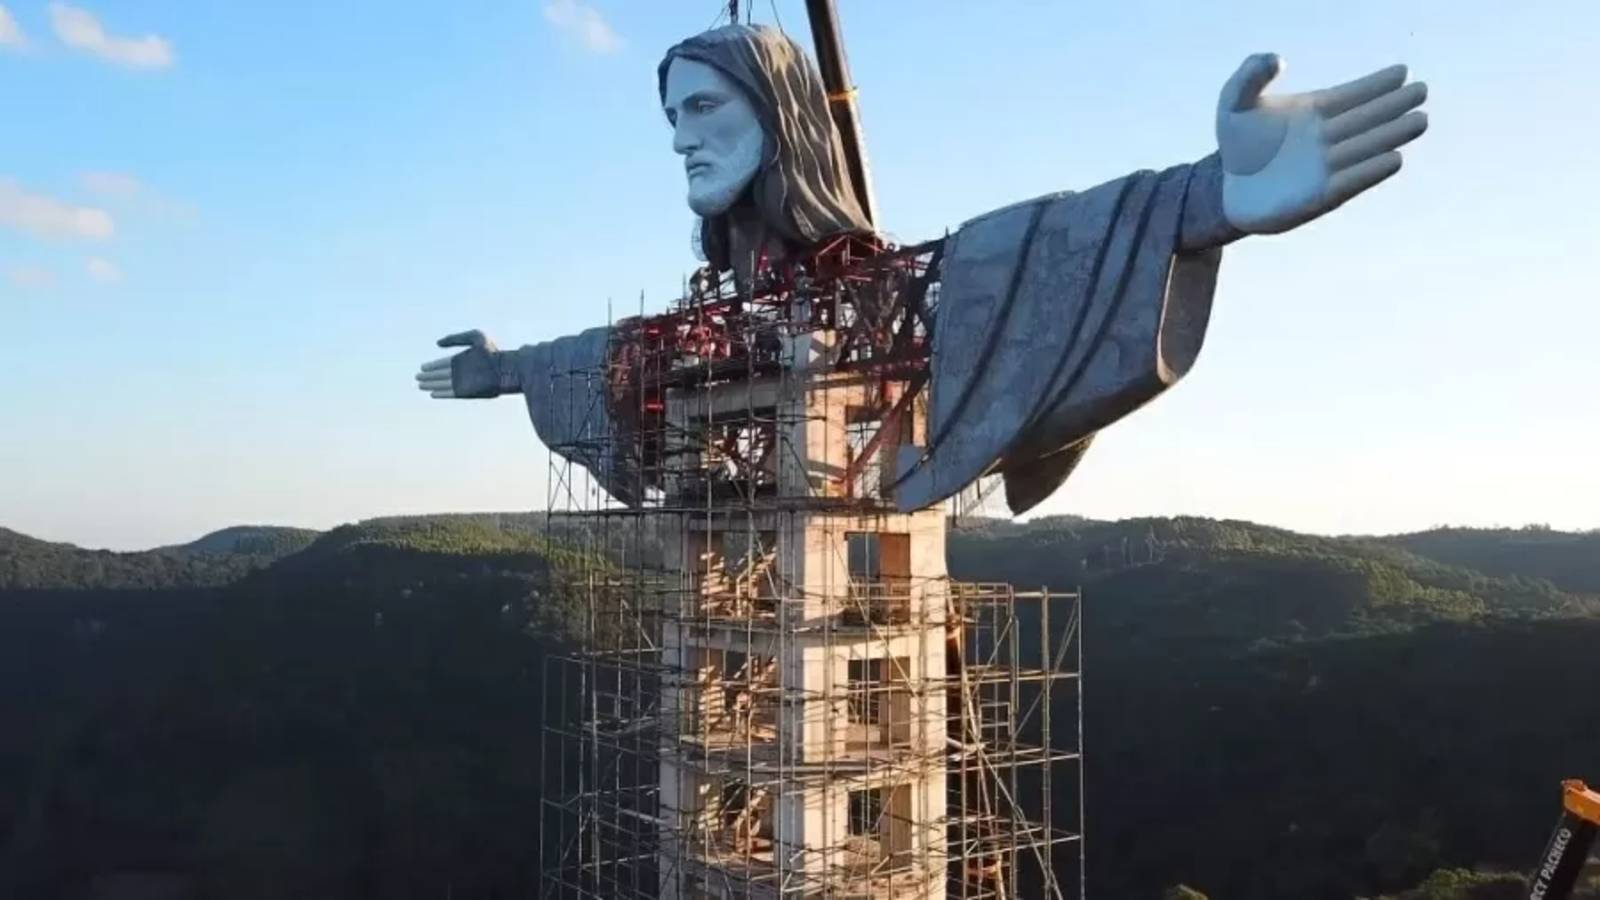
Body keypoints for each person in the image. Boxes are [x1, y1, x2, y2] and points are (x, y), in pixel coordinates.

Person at [415, 24, 1427, 514]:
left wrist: (1209, 201)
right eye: (672, 116)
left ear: (780, 118)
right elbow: (622, 349)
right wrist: (505, 368)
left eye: (705, 109)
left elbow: (1036, 249)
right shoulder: (721, 319)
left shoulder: (879, 294)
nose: (683, 138)